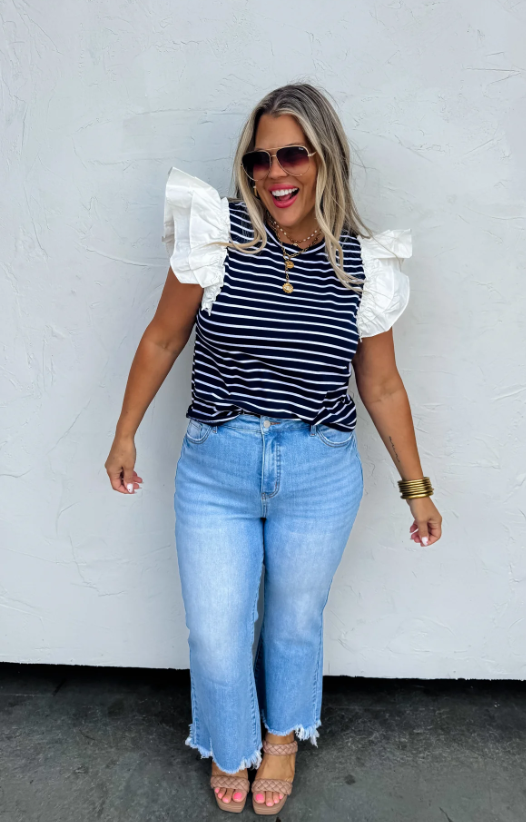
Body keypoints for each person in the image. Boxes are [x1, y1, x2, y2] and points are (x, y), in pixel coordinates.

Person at [105, 83, 442, 815]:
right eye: (259, 159)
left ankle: (282, 738)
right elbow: (163, 338)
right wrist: (125, 430)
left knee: (293, 621)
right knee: (216, 630)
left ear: (326, 159)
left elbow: (382, 385)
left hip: (319, 470)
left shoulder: (365, 265)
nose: (274, 173)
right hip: (216, 468)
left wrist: (417, 488)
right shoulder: (215, 236)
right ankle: (231, 744)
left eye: (293, 154)